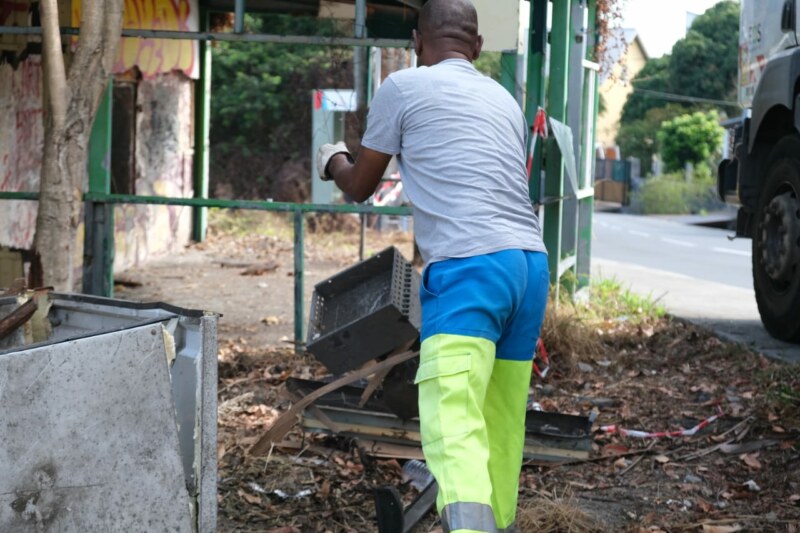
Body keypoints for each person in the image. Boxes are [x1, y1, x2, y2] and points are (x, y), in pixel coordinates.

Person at [316, 1, 548, 530]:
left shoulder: (404, 87)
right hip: (529, 267)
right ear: (478, 47)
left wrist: (333, 157)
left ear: (417, 42)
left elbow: (360, 187)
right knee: (501, 423)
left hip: (471, 270)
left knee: (453, 421)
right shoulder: (504, 100)